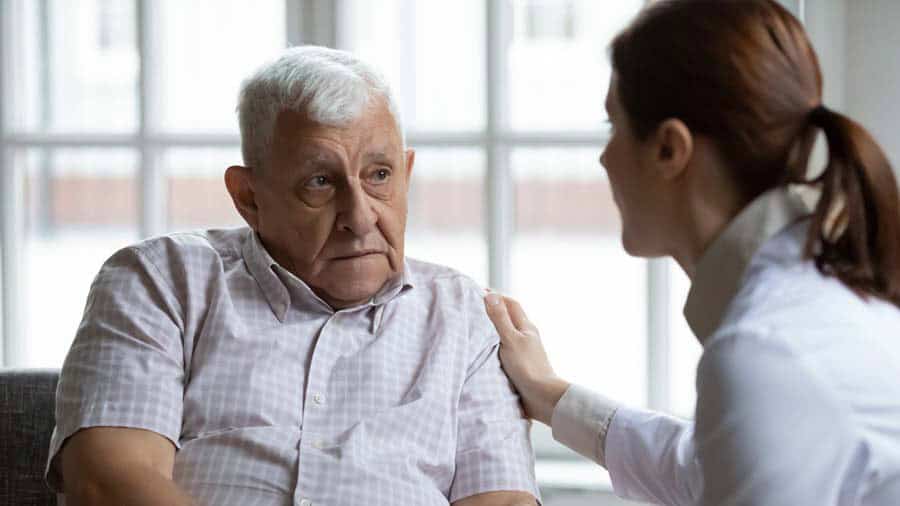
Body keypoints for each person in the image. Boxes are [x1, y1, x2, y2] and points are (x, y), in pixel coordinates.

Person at [46, 46, 539, 506]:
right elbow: (105, 480)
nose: (361, 217)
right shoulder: (160, 283)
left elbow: (504, 499)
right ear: (248, 197)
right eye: (320, 182)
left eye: (380, 175)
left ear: (406, 174)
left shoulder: (467, 319)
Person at [483, 1, 900, 505]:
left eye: (612, 127)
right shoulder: (820, 291)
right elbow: (702, 469)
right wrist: (549, 395)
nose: (603, 157)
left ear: (669, 149)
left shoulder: (764, 350)